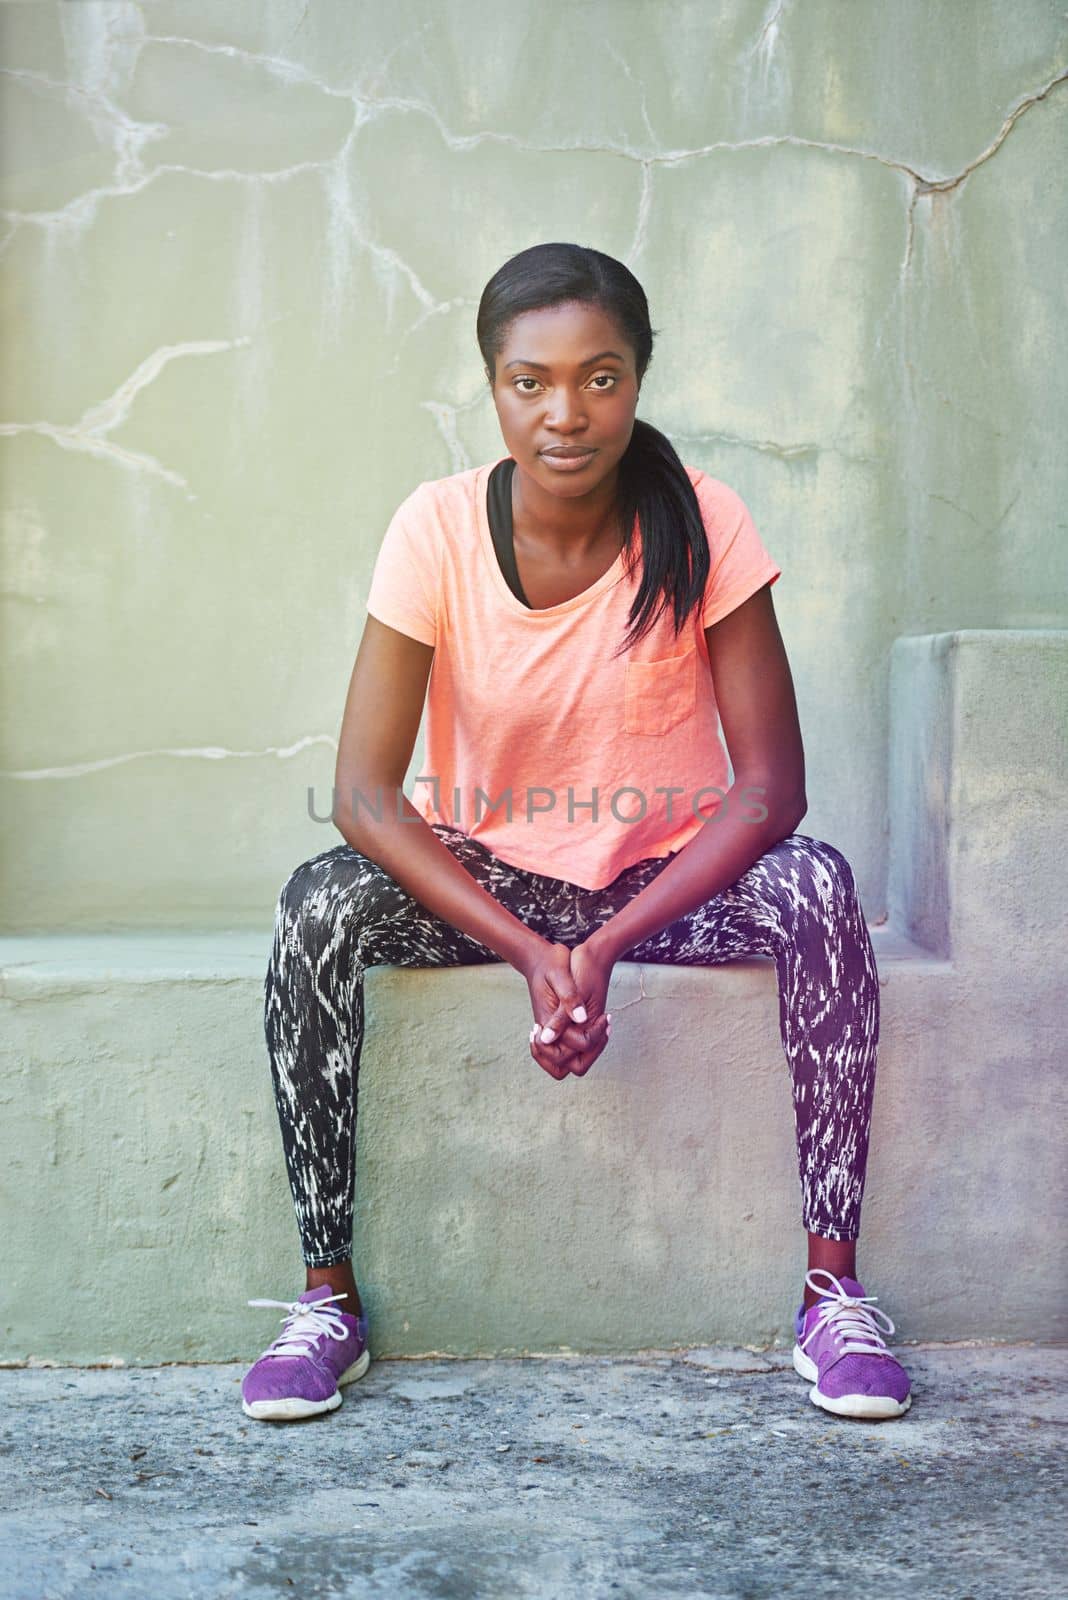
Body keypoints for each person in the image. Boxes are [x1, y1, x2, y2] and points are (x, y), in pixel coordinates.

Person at [241, 242, 912, 1425]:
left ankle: (832, 1292)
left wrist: (603, 946)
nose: (566, 413)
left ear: (639, 379)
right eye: (530, 380)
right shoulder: (436, 528)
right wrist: (528, 946)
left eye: (600, 377)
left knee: (817, 888)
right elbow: (363, 791)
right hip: (491, 871)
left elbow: (772, 790)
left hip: (660, 876)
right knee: (318, 901)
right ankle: (326, 1295)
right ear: (492, 386)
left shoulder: (704, 519)